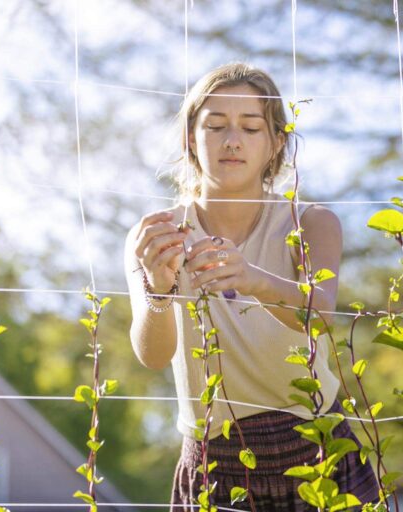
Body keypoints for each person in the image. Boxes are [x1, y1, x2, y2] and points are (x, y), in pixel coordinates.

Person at [124, 63, 379, 511]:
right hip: (212, 460)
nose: (232, 140)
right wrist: (159, 290)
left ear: (276, 142)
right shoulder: (158, 235)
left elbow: (320, 318)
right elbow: (152, 355)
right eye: (215, 125)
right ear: (190, 136)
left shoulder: (311, 223)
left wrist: (253, 279)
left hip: (315, 446)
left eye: (250, 127)